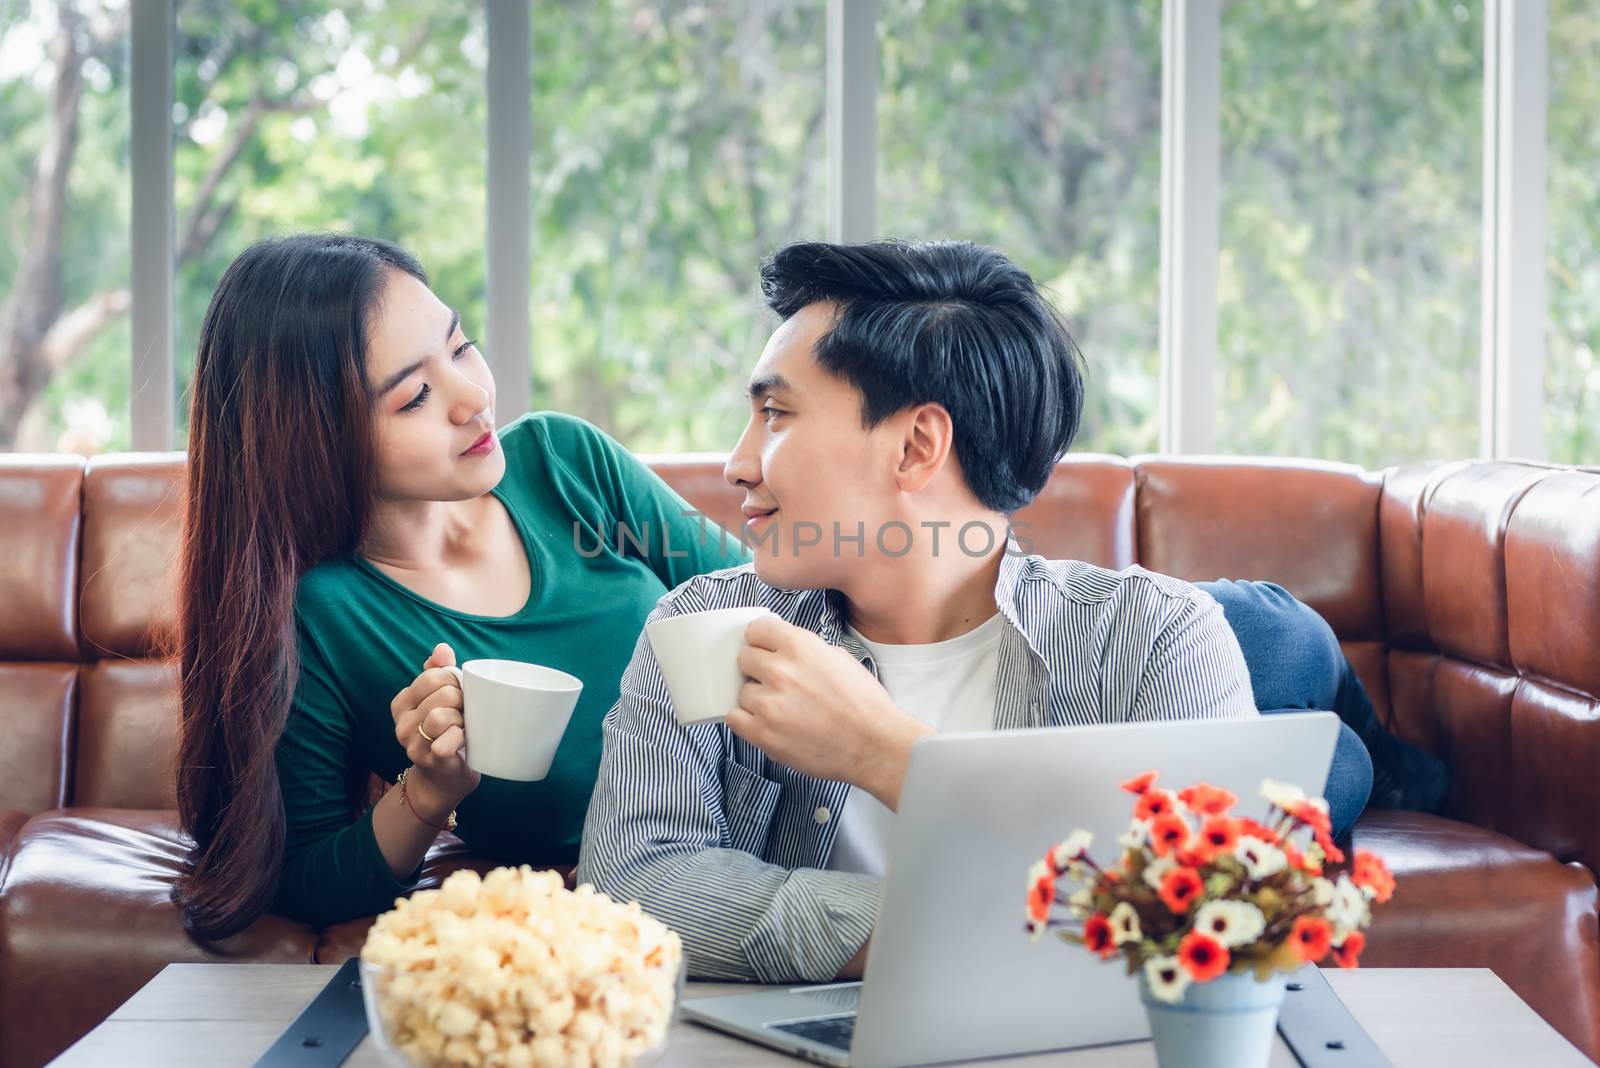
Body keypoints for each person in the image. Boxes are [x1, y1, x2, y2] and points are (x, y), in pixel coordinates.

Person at [578, 239, 1446, 984]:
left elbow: (1191, 916)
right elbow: (633, 881)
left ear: (917, 446)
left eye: (774, 414)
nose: (736, 464)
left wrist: (888, 755)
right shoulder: (701, 627)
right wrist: (941, 933)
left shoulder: (1156, 638)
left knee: (1322, 752)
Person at [171, 234, 746, 939]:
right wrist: (433, 788)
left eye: (462, 345)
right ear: (315, 439)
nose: (473, 397)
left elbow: (772, 606)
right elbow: (304, 875)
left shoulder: (568, 463)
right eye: (415, 396)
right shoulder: (323, 616)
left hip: (803, 816)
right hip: (661, 904)